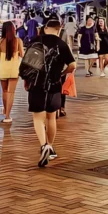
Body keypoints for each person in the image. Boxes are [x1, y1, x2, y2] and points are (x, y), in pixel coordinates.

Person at [26, 18, 76, 168]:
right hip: (54, 84)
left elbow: (28, 65)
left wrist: (26, 80)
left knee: (37, 117)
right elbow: (72, 65)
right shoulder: (62, 45)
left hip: (37, 84)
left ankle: (44, 146)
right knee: (51, 117)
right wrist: (62, 73)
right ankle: (51, 147)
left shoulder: (35, 42)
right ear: (59, 29)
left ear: (45, 28)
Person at [0, 21, 24, 122]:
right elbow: (22, 55)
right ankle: (7, 116)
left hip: (3, 69)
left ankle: (5, 110)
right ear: (13, 29)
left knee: (4, 91)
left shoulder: (0, 42)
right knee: (11, 92)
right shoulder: (18, 41)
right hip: (14, 69)